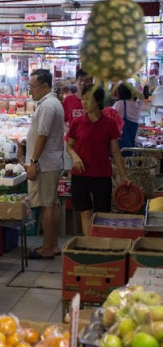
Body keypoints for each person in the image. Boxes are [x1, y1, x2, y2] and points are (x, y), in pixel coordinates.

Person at [67, 85, 129, 236]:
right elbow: (69, 146)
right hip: (80, 174)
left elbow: (115, 151)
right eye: (83, 99)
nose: (84, 103)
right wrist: (75, 156)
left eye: (88, 99)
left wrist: (123, 176)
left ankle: (99, 244)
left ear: (98, 101)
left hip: (102, 174)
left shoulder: (109, 123)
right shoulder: (77, 122)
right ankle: (89, 245)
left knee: (102, 214)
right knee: (85, 212)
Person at [26, 69, 64, 260]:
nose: (30, 90)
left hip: (45, 164)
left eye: (33, 87)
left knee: (46, 205)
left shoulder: (48, 106)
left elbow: (43, 135)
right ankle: (53, 244)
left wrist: (33, 161)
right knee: (52, 203)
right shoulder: (51, 103)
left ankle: (48, 248)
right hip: (51, 162)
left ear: (45, 86)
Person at [113, 83, 143, 150]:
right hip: (134, 140)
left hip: (121, 140)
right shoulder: (138, 105)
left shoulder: (119, 104)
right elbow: (141, 97)